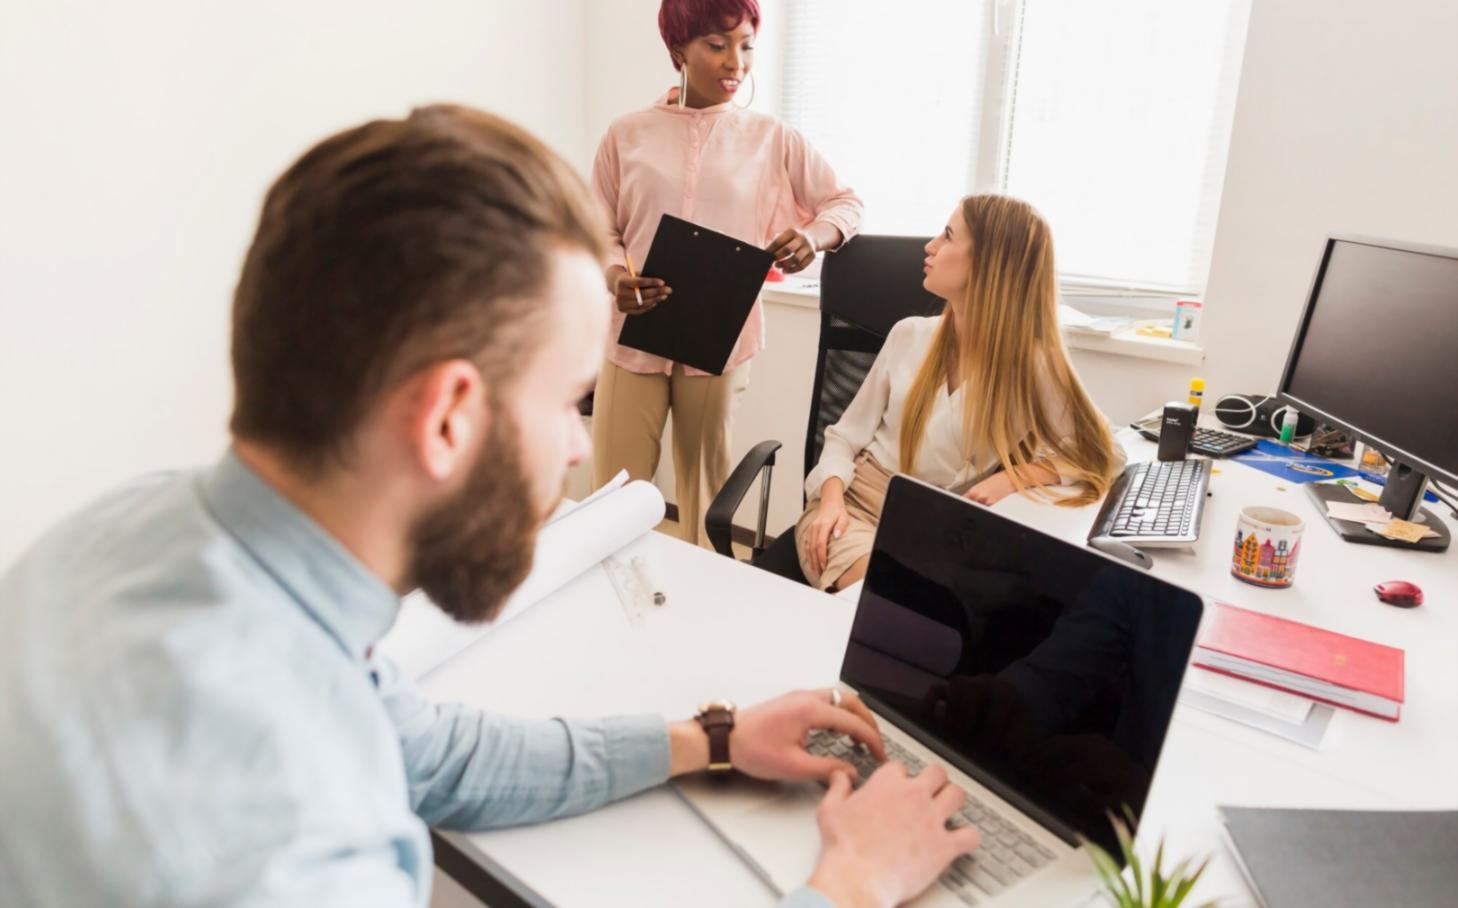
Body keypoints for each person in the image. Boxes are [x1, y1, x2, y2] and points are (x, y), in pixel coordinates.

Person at [0, 106, 977, 908]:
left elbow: (427, 749)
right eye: (566, 400)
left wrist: (711, 739)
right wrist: (850, 887)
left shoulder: (144, 529)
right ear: (448, 418)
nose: (581, 445)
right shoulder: (294, 840)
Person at [590, 0, 863, 548]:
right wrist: (615, 275)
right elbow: (597, 228)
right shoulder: (626, 134)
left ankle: (703, 616)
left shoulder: (773, 138)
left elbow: (845, 203)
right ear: (677, 49)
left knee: (707, 498)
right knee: (611, 495)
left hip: (720, 338)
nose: (735, 62)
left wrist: (813, 237)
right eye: (716, 45)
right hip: (631, 334)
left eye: (746, 45)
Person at [796, 194, 1123, 590]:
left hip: (944, 528)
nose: (930, 246)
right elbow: (844, 438)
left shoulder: (1034, 366)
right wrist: (830, 501)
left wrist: (1017, 477)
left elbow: (1106, 453)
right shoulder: (909, 334)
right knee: (888, 599)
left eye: (948, 236)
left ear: (989, 262)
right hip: (856, 506)